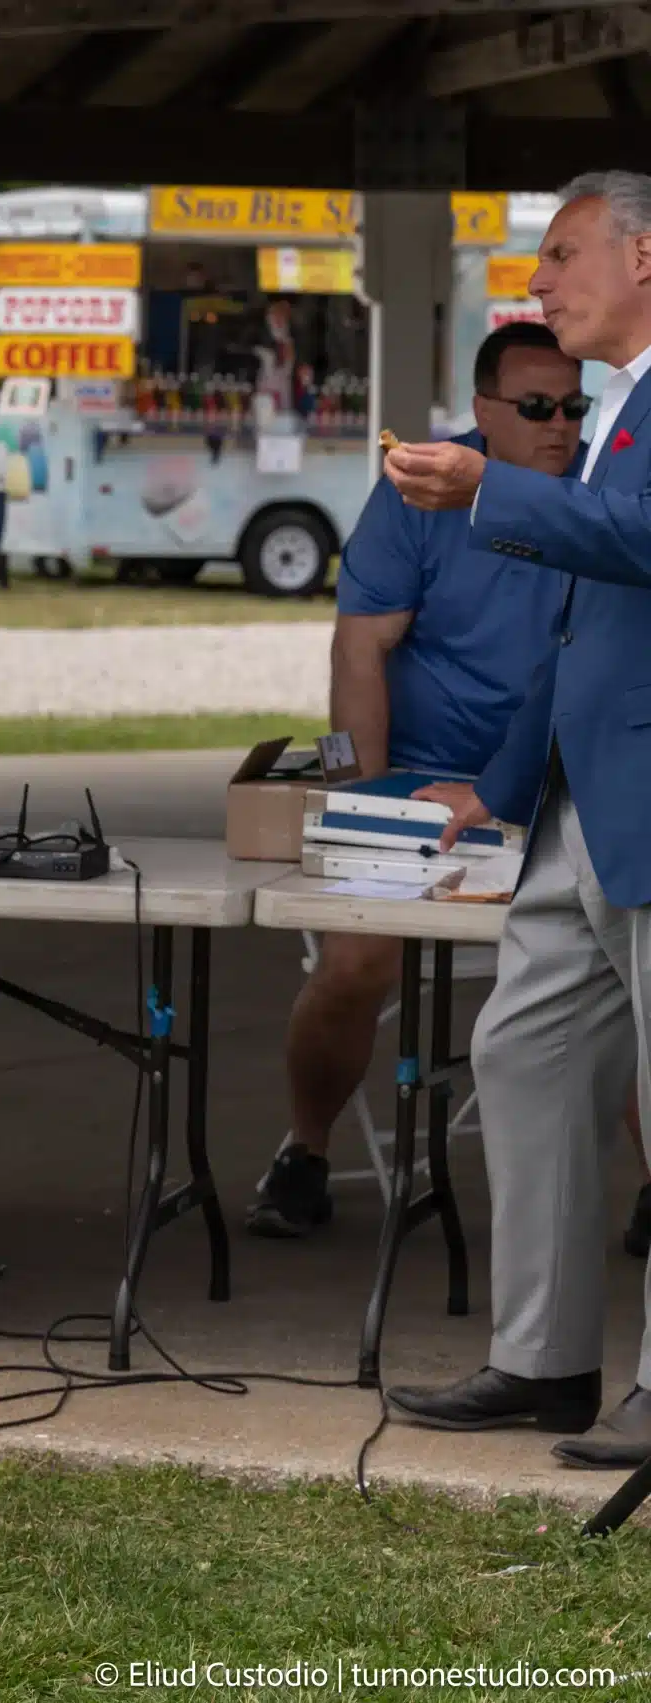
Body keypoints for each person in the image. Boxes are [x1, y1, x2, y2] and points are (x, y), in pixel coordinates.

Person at [382, 172, 651, 1468]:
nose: (538, 283)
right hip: (581, 804)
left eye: (561, 254)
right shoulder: (616, 407)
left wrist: (487, 487)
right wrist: (498, 780)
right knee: (523, 1049)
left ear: (645, 256)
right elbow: (581, 619)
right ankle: (544, 1361)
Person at [249, 324, 583, 1238]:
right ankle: (305, 1149)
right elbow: (358, 651)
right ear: (481, 412)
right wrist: (363, 802)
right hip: (426, 780)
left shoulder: (598, 493)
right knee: (353, 960)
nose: (561, 425)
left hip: (563, 783)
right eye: (538, 407)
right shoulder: (416, 492)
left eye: (574, 406)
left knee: (624, 966)